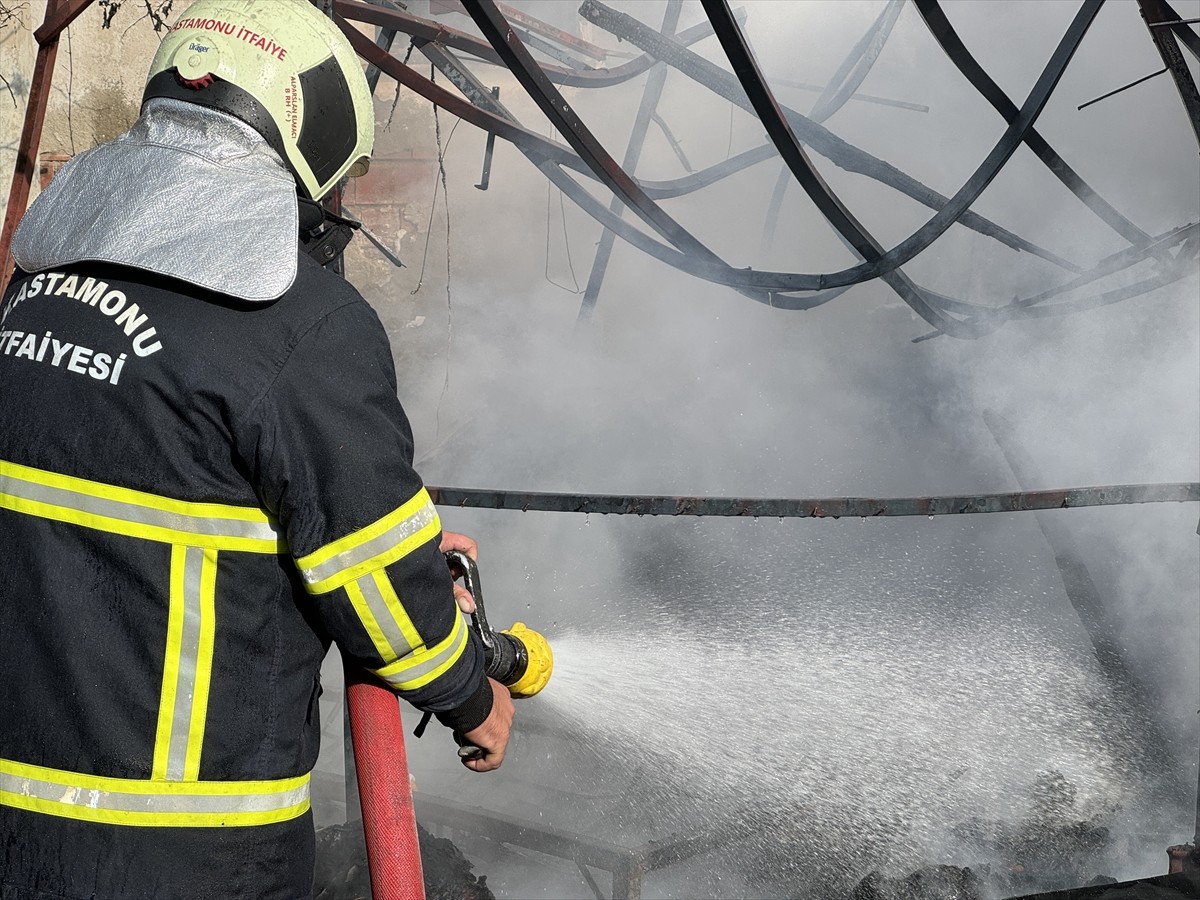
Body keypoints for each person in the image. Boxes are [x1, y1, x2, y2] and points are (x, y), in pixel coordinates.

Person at [0, 1, 512, 897]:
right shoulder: (304, 329)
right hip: (185, 853)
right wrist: (474, 694)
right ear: (309, 140)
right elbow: (381, 585)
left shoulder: (38, 287)